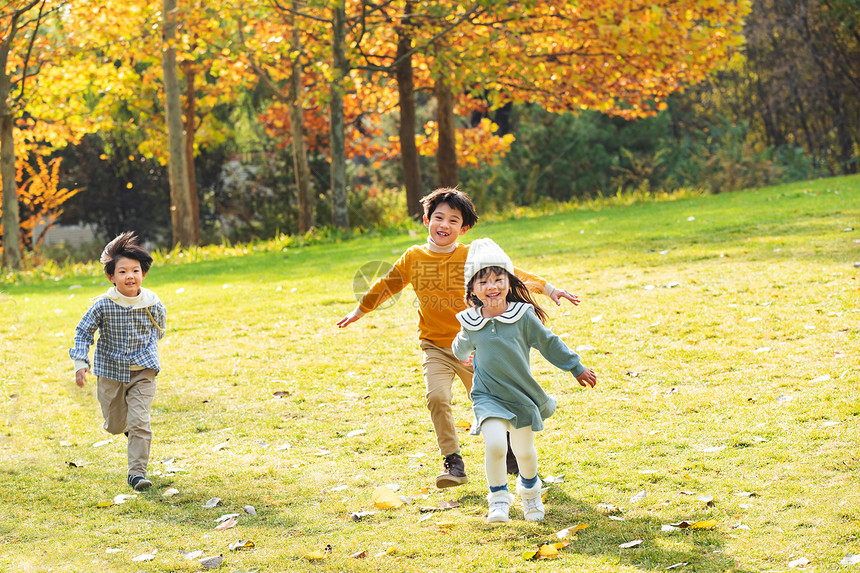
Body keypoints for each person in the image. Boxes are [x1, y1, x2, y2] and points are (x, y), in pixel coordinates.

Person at [337, 188, 581, 489]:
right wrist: (361, 309)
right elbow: (387, 284)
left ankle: (512, 457)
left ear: (464, 228)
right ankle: (453, 463)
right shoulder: (414, 257)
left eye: (454, 220)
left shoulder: (470, 256)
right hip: (434, 347)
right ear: (427, 219)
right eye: (438, 217)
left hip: (475, 345)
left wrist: (550, 289)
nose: (444, 224)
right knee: (437, 398)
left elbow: (512, 273)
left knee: (495, 402)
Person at [452, 238, 597, 523]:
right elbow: (460, 348)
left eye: (498, 278)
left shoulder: (522, 317)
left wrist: (576, 367)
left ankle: (530, 493)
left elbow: (549, 343)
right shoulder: (470, 321)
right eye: (483, 282)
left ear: (509, 280)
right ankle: (498, 500)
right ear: (472, 290)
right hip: (487, 395)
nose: (491, 286)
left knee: (524, 452)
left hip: (521, 395)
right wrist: (462, 346)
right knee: (494, 444)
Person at [70, 232, 166, 492]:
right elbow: (83, 332)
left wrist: (145, 353)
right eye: (122, 271)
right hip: (111, 372)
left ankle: (137, 474)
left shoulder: (152, 303)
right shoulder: (103, 305)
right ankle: (125, 429)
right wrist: (81, 362)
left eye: (135, 270)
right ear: (111, 277)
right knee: (114, 425)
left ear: (143, 274)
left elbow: (159, 331)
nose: (130, 276)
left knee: (140, 422)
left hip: (143, 372)